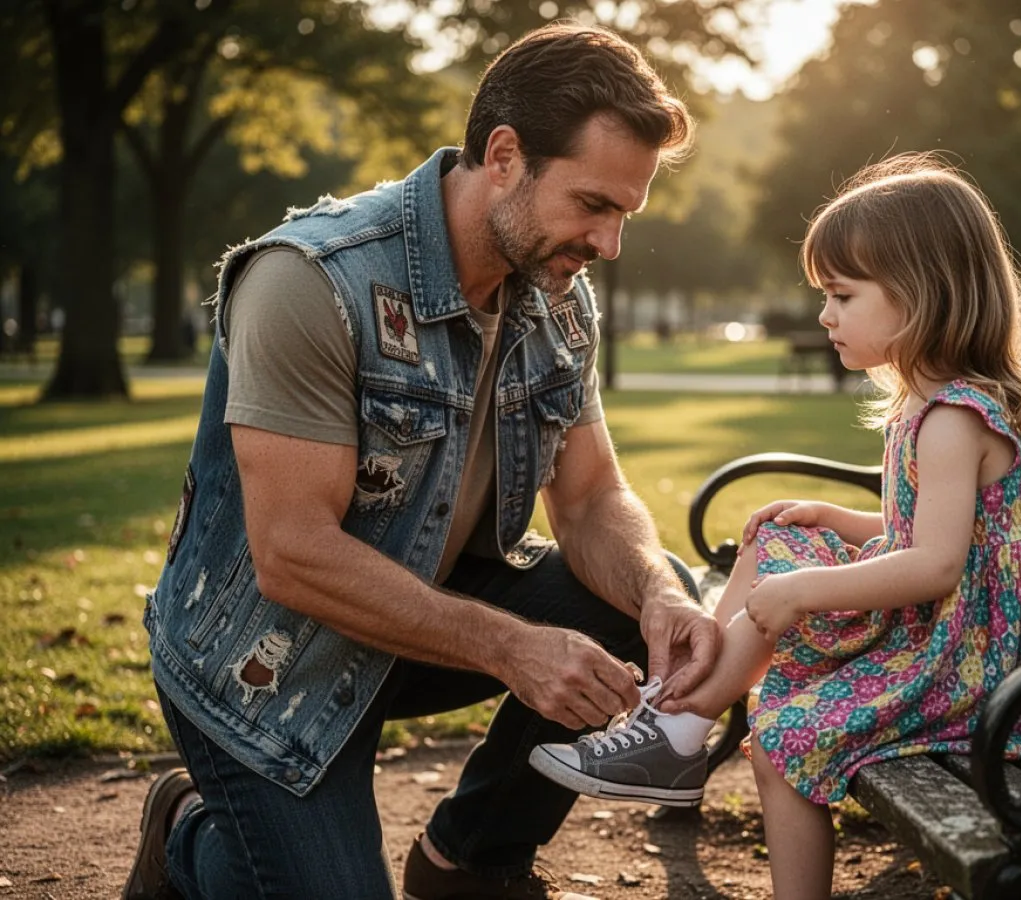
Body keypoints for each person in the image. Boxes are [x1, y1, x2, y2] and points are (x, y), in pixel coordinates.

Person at [124, 23, 721, 900]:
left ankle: (468, 864)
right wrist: (510, 646)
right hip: (263, 660)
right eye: (593, 204)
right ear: (505, 156)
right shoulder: (311, 279)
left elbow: (593, 497)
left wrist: (661, 595)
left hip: (418, 622)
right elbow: (291, 553)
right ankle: (186, 832)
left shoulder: (557, 296)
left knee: (642, 594)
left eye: (623, 214)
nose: (609, 243)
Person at [530, 153, 1021, 900]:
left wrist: (803, 592)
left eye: (842, 296)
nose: (825, 315)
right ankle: (676, 730)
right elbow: (937, 530)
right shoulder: (926, 407)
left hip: (983, 669)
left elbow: (937, 564)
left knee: (783, 738)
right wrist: (833, 520)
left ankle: (676, 733)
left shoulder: (953, 420)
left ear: (921, 294)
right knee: (775, 541)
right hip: (950, 636)